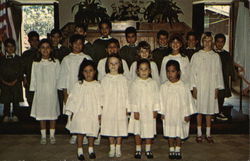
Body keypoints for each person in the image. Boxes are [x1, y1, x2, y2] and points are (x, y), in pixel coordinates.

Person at [190, 32, 224, 143]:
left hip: (211, 86)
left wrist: (217, 88)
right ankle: (199, 133)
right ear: (202, 41)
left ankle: (208, 133)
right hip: (200, 86)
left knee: (209, 111)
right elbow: (192, 73)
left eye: (210, 41)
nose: (207, 43)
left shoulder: (215, 56)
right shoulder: (196, 56)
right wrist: (193, 87)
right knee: (199, 110)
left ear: (212, 42)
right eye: (205, 40)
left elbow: (218, 73)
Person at [65, 59, 102, 160]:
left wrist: (100, 113)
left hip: (93, 111)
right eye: (85, 71)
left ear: (95, 72)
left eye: (90, 70)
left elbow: (101, 100)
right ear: (82, 73)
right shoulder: (78, 85)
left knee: (91, 131)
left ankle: (91, 149)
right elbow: (72, 99)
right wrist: (71, 112)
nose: (88, 73)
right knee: (80, 131)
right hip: (80, 112)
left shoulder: (98, 85)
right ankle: (80, 150)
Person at [58, 34, 92, 144]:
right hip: (71, 90)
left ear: (83, 45)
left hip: (85, 90)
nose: (77, 46)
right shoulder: (66, 59)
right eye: (75, 43)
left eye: (80, 43)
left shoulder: (87, 58)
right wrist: (65, 93)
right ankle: (74, 133)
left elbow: (91, 75)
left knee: (84, 113)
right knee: (72, 113)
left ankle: (85, 134)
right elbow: (63, 77)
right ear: (71, 45)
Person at [159, 60, 196, 160]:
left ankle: (178, 149)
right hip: (169, 113)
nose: (170, 74)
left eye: (173, 71)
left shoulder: (183, 86)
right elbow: (161, 100)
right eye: (168, 71)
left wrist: (188, 113)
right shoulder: (164, 86)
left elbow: (188, 101)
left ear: (178, 72)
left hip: (181, 113)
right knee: (170, 131)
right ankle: (171, 149)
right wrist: (161, 112)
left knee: (179, 131)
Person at [30, 39, 60, 144]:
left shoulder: (56, 62)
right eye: (43, 47)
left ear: (51, 49)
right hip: (40, 92)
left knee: (52, 113)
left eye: (47, 47)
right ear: (39, 49)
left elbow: (58, 78)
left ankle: (52, 135)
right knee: (42, 114)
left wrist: (57, 89)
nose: (45, 50)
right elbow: (33, 78)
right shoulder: (36, 63)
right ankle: (43, 136)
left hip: (52, 92)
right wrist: (33, 90)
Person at [128, 59, 159, 159]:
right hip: (138, 111)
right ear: (137, 71)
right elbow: (132, 97)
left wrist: (155, 109)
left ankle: (148, 149)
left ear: (150, 71)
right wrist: (135, 110)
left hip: (149, 111)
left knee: (149, 130)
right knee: (138, 130)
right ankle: (138, 149)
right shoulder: (135, 83)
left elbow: (157, 97)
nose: (144, 71)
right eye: (141, 69)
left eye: (146, 69)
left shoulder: (153, 83)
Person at [100, 54, 129, 158]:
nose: (113, 66)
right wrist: (102, 106)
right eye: (111, 63)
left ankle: (118, 146)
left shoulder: (123, 79)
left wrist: (127, 107)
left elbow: (127, 94)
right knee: (110, 126)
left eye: (116, 63)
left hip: (120, 107)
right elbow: (101, 94)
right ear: (107, 65)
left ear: (120, 65)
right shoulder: (104, 79)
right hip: (108, 107)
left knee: (120, 126)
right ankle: (112, 146)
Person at [0, 38, 23, 123]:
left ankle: (15, 114)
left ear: (15, 47)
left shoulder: (19, 59)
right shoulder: (1, 59)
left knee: (15, 99)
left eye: (12, 46)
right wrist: (3, 81)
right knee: (6, 100)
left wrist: (16, 80)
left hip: (16, 83)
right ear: (5, 48)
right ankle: (6, 114)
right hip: (4, 83)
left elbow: (21, 71)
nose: (10, 48)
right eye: (8, 46)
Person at [214, 33, 236, 121]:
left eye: (222, 42)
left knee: (221, 96)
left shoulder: (227, 54)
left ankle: (219, 112)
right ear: (215, 42)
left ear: (224, 43)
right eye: (218, 42)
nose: (219, 44)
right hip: (214, 78)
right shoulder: (212, 54)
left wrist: (233, 76)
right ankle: (213, 113)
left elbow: (230, 66)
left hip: (223, 77)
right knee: (213, 97)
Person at [50, 29, 70, 116]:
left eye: (57, 37)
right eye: (53, 37)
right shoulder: (48, 49)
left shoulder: (65, 50)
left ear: (60, 38)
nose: (55, 39)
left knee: (61, 96)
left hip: (61, 76)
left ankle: (61, 115)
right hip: (50, 77)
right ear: (51, 38)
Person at [22, 31, 40, 107]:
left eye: (36, 40)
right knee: (31, 101)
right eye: (33, 40)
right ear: (29, 41)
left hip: (40, 81)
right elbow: (22, 69)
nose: (35, 42)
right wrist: (24, 78)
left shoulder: (42, 52)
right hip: (29, 80)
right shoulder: (26, 54)